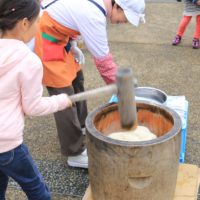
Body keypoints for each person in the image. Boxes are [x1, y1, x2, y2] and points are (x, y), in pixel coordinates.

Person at [35, 0, 145, 169]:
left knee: (77, 78)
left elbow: (69, 15)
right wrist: (123, 91)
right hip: (46, 37)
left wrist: (72, 44)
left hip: (61, 37)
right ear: (117, 5)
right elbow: (104, 63)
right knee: (63, 95)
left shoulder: (99, 7)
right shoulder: (94, 15)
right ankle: (74, 152)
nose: (125, 22)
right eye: (125, 17)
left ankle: (80, 125)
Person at [0, 0, 73, 199]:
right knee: (37, 190)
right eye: (37, 21)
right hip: (8, 145)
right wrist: (61, 101)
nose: (39, 25)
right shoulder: (28, 60)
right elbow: (32, 106)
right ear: (24, 23)